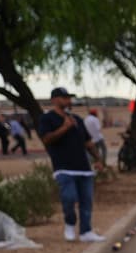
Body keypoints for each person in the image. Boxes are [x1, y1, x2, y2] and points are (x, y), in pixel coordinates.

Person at [37, 87, 105, 243]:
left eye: (69, 98)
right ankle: (69, 223)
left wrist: (98, 159)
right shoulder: (48, 119)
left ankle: (86, 231)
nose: (68, 101)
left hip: (83, 167)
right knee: (69, 197)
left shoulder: (77, 119)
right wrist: (64, 128)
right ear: (54, 100)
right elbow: (46, 139)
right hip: (64, 167)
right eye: (64, 97)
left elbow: (87, 142)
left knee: (86, 201)